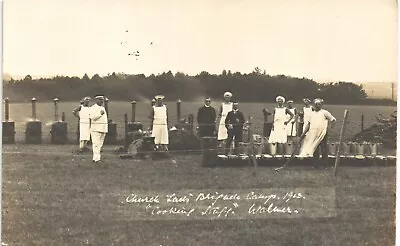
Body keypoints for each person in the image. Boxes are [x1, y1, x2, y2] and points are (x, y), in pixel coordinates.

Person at [299, 98, 336, 166]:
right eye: (316, 104)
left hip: (322, 133)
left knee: (324, 149)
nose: (317, 105)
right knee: (315, 149)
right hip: (313, 133)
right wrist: (303, 133)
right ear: (314, 105)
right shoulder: (311, 113)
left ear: (321, 105)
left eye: (319, 104)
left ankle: (325, 164)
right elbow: (308, 124)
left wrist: (329, 128)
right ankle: (316, 164)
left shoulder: (325, 112)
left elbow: (333, 120)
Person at [90, 95, 108, 163]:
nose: (101, 101)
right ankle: (97, 159)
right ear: (96, 100)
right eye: (100, 100)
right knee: (96, 144)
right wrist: (100, 114)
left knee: (100, 144)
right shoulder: (93, 108)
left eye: (102, 100)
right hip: (96, 129)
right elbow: (92, 117)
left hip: (103, 129)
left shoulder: (102, 108)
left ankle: (96, 158)